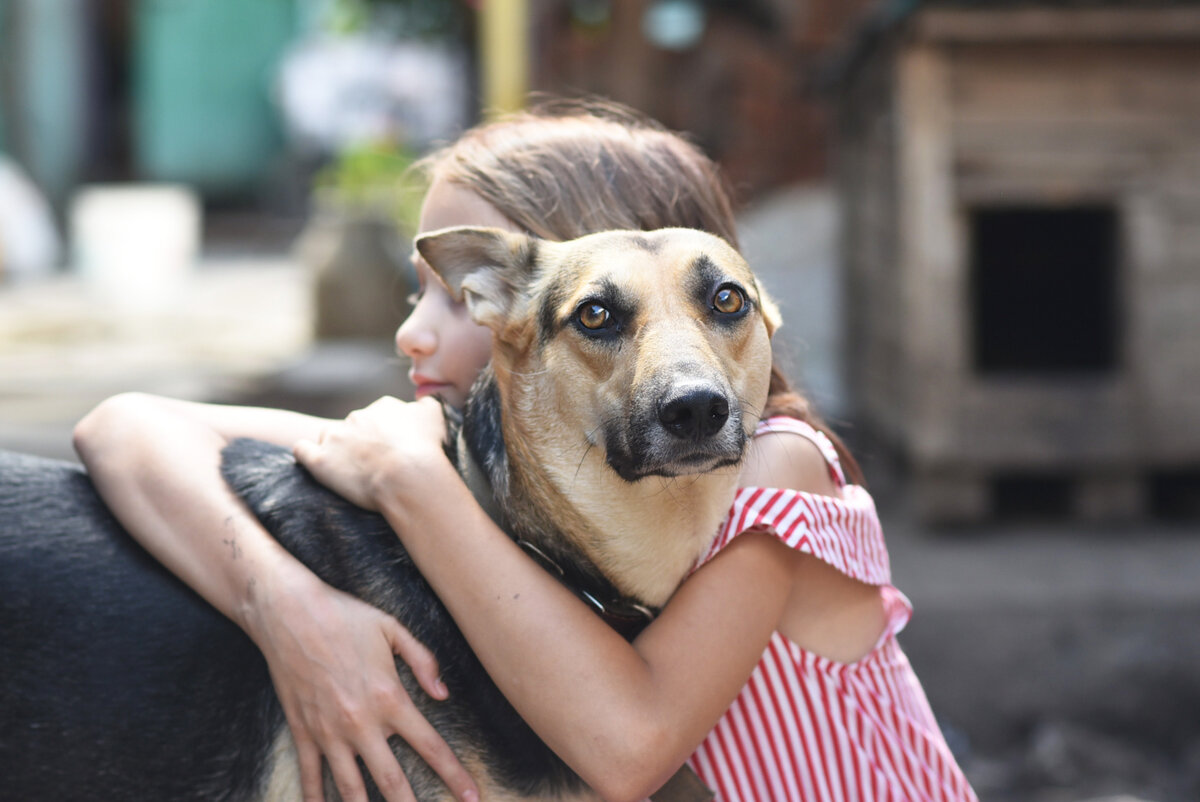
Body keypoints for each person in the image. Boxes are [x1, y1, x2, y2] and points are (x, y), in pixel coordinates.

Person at [75, 100, 977, 802]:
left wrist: (411, 483)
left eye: (458, 296)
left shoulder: (776, 467)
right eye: (435, 291)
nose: (415, 336)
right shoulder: (470, 453)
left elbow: (628, 746)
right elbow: (127, 426)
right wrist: (289, 609)